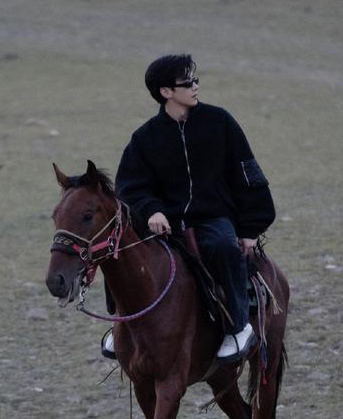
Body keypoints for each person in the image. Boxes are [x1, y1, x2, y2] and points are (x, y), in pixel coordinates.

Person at [104, 54, 275, 362]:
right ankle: (121, 325)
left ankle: (237, 328)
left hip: (213, 219)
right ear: (166, 92)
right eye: (188, 82)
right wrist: (152, 210)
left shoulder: (220, 122)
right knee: (119, 250)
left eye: (196, 80)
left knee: (223, 247)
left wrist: (250, 229)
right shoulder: (145, 138)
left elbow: (248, 173)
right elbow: (129, 187)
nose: (196, 87)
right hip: (163, 225)